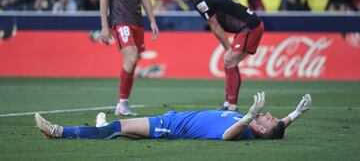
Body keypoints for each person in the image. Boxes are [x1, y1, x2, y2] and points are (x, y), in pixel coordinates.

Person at [34, 92, 312, 141]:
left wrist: (248, 115)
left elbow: (227, 136)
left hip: (169, 128)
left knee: (114, 129)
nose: (267, 114)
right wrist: (295, 113)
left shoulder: (243, 131)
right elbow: (280, 128)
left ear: (261, 130)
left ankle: (58, 132)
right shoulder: (261, 128)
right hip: (173, 117)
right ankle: (103, 125)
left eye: (268, 118)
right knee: (117, 130)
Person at [179, 0, 264, 112]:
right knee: (228, 61)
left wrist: (228, 48)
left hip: (251, 26)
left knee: (229, 60)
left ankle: (232, 106)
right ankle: (228, 103)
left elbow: (215, 26)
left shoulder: (202, 1)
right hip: (247, 27)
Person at [99, 0, 159, 116]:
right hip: (119, 20)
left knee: (132, 61)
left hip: (137, 22)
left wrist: (152, 20)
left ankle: (123, 104)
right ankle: (122, 103)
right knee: (131, 57)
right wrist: (104, 26)